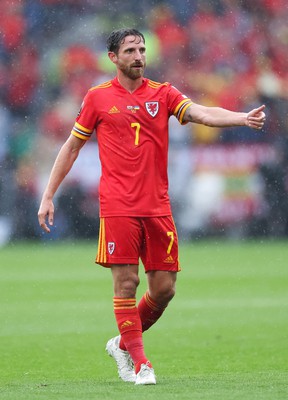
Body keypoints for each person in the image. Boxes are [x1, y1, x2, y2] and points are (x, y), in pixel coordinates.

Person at [38, 28, 266, 385]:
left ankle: (122, 343)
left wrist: (241, 118)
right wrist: (48, 194)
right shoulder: (97, 98)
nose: (139, 56)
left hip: (157, 206)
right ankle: (142, 364)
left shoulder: (163, 93)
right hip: (117, 206)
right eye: (130, 50)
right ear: (113, 57)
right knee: (126, 283)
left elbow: (202, 113)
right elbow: (71, 147)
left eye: (142, 49)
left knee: (164, 289)